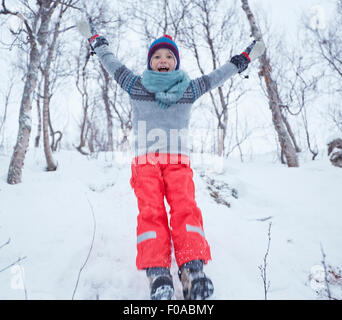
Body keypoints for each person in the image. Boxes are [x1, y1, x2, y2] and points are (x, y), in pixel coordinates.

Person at [89, 33, 265, 300]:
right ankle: (158, 273)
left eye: (169, 56)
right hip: (146, 163)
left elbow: (217, 76)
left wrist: (243, 59)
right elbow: (113, 64)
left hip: (178, 163)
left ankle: (192, 269)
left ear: (176, 63)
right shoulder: (136, 86)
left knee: (186, 209)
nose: (163, 60)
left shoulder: (188, 89)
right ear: (150, 63)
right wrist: (99, 45)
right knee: (151, 212)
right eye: (157, 56)